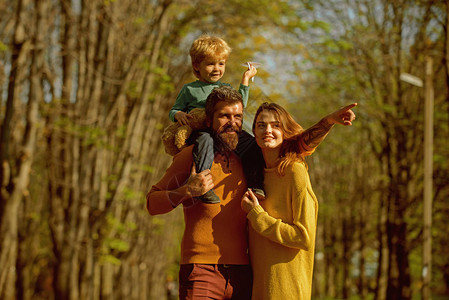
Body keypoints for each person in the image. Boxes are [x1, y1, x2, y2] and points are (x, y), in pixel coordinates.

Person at [147, 85, 356, 300]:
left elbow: (293, 143)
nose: (232, 122)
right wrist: (186, 191)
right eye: (224, 116)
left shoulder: (253, 157)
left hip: (245, 276)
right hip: (202, 271)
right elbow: (152, 203)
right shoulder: (192, 157)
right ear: (209, 121)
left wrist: (328, 122)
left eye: (238, 116)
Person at [240, 102, 356, 300]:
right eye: (261, 125)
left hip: (288, 292)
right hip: (258, 291)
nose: (268, 130)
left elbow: (303, 237)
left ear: (284, 131)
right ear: (254, 131)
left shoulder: (295, 171)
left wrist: (258, 216)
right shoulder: (255, 175)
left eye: (275, 125)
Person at [167, 34, 257, 204]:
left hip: (223, 131)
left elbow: (238, 106)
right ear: (196, 65)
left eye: (221, 64)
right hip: (200, 132)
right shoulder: (189, 89)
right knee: (205, 140)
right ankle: (203, 185)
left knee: (249, 142)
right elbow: (174, 109)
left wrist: (245, 81)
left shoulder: (225, 87)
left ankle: (255, 183)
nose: (216, 68)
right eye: (210, 64)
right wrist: (178, 115)